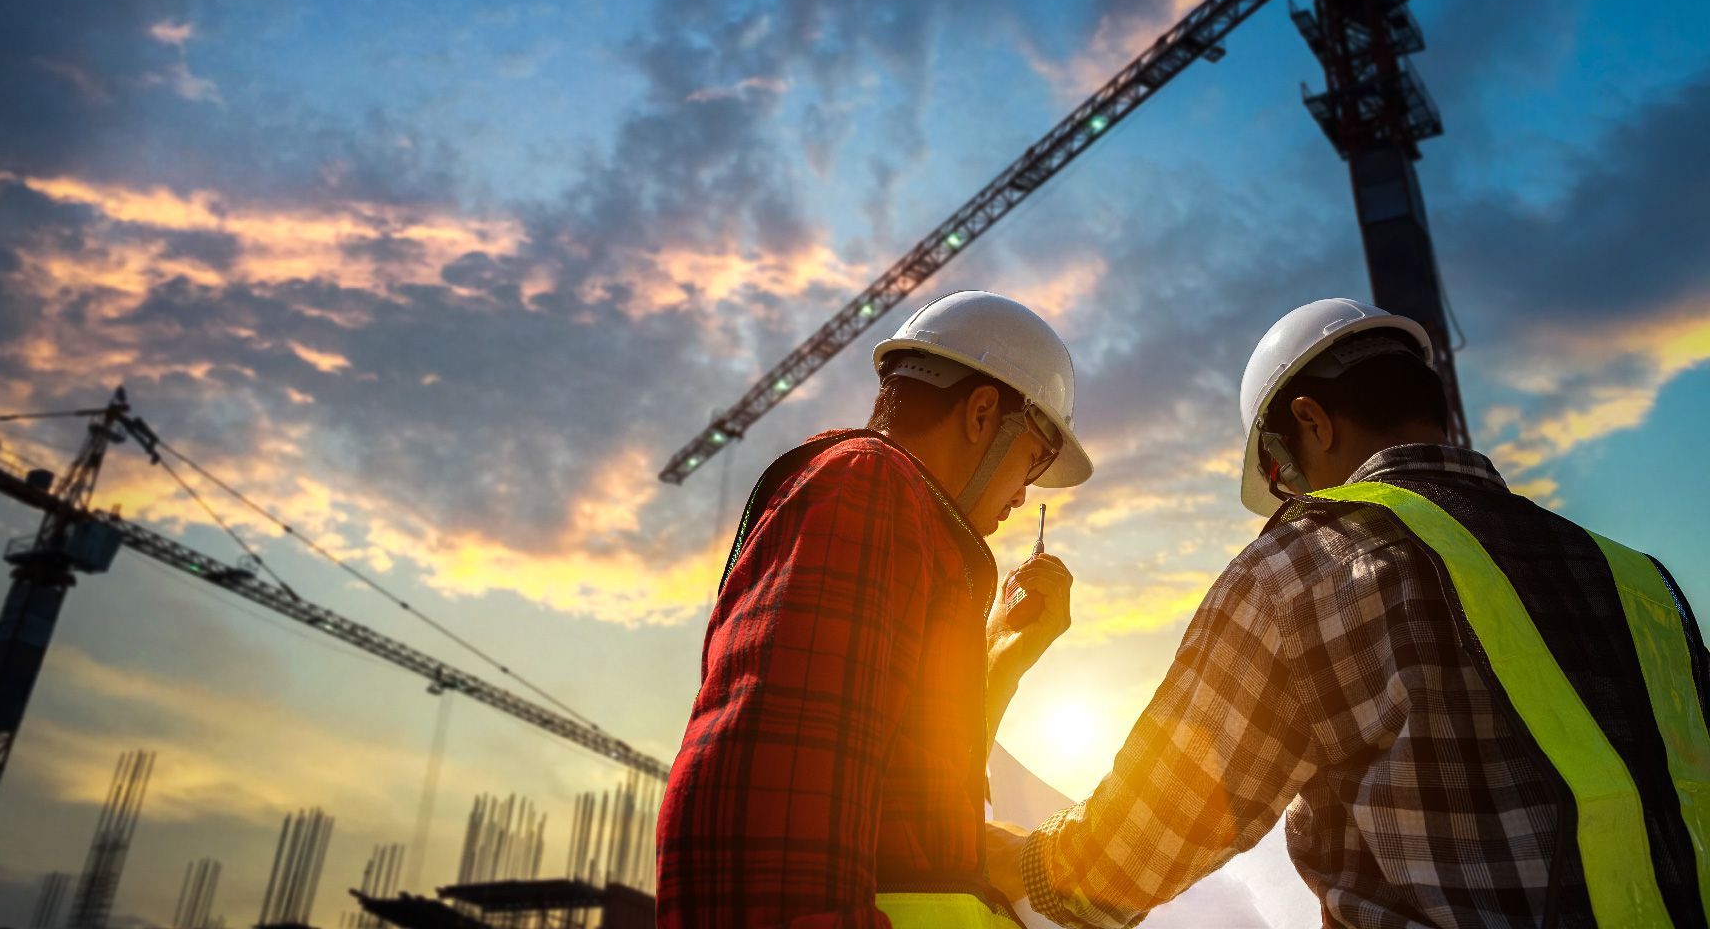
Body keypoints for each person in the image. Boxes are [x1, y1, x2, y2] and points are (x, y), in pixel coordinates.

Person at [987, 297, 1710, 928]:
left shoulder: (1305, 568)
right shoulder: (1640, 582)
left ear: (1311, 421)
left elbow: (1139, 846)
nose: (1289, 498)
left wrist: (1023, 863)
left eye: (1279, 473)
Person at [656, 290, 1093, 929]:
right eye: (1032, 459)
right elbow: (773, 819)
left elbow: (917, 816)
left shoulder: (901, 517)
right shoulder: (868, 488)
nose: (1025, 496)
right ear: (980, 414)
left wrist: (999, 658)